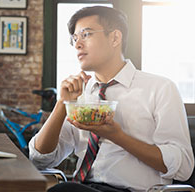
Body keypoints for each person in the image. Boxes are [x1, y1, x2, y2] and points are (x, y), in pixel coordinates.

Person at [29, 6, 194, 192]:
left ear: (115, 37)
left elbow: (183, 168)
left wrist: (117, 136)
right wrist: (62, 103)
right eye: (75, 38)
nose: (77, 44)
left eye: (86, 34)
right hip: (83, 187)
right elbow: (40, 159)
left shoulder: (160, 88)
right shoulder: (81, 94)